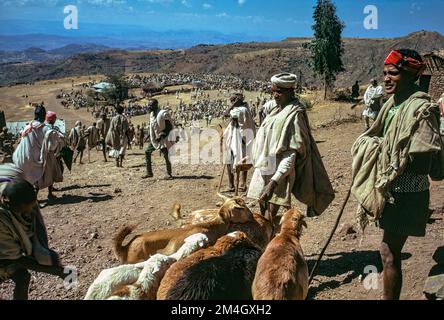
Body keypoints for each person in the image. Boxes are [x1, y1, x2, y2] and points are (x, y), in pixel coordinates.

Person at [351, 49, 444, 300]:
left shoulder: (421, 109)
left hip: (407, 192)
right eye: (384, 74)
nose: (387, 79)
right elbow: (377, 135)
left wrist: (387, 154)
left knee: (388, 253)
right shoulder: (392, 105)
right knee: (388, 251)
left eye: (393, 73)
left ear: (411, 75)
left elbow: (423, 161)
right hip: (391, 190)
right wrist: (378, 150)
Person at [247, 73, 334, 225]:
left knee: (268, 216)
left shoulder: (295, 115)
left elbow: (291, 155)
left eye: (279, 91)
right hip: (265, 166)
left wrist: (273, 183)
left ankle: (271, 245)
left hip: (280, 172)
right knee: (262, 210)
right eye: (273, 90)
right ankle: (270, 241)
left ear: (291, 91)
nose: (275, 95)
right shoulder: (275, 110)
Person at [0, 170, 66, 300]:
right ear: (9, 204)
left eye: (32, 206)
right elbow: (15, 258)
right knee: (21, 275)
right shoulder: (2, 220)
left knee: (23, 277)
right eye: (25, 209)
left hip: (6, 254)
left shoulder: (17, 197)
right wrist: (56, 271)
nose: (31, 211)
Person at [222, 92, 256, 192]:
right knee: (242, 161)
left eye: (232, 101)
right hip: (243, 139)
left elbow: (226, 113)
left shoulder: (240, 110)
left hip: (239, 140)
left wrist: (232, 106)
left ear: (236, 101)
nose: (231, 103)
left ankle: (233, 185)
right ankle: (242, 185)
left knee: (232, 161)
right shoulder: (245, 108)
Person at [12, 104, 48, 185]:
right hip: (33, 160)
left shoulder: (28, 127)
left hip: (18, 157)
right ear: (44, 116)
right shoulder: (45, 129)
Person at [142, 99, 175, 180]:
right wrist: (149, 135)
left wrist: (161, 135)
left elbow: (169, 127)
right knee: (147, 152)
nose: (148, 107)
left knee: (166, 156)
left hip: (164, 138)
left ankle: (169, 173)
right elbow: (153, 127)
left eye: (150, 105)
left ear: (155, 105)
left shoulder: (163, 113)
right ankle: (149, 173)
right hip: (155, 139)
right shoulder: (152, 114)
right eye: (148, 105)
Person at [37, 111, 65, 201]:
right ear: (52, 120)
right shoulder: (52, 130)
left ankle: (40, 196)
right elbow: (54, 144)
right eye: (55, 118)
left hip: (39, 154)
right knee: (51, 173)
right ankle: (49, 194)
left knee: (41, 175)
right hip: (49, 154)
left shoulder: (40, 127)